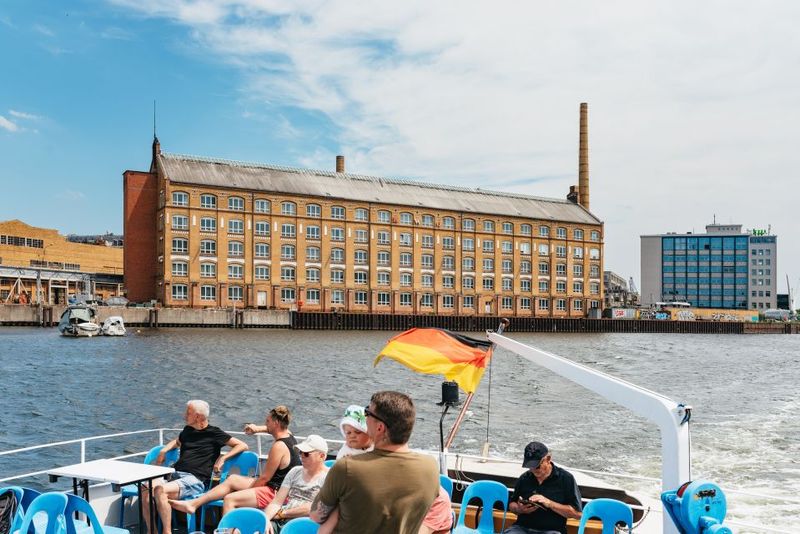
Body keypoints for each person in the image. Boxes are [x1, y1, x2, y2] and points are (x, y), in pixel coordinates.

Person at [310, 391, 439, 534]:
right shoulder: (430, 467)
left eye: (367, 413)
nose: (365, 418)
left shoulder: (347, 468)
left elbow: (317, 515)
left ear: (380, 427)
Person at [170, 405, 300, 516]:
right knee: (232, 480)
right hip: (281, 487)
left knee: (230, 499)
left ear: (276, 423)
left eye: (267, 421)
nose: (265, 424)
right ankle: (193, 504)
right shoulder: (289, 435)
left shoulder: (278, 447)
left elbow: (264, 479)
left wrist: (246, 492)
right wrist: (257, 428)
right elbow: (273, 428)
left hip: (277, 492)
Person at [142, 400, 248, 534]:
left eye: (188, 413)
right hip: (175, 474)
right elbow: (177, 441)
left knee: (160, 490)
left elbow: (242, 445)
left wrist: (223, 458)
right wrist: (164, 450)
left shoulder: (214, 433)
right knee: (145, 487)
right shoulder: (188, 430)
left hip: (195, 480)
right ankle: (152, 531)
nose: (184, 415)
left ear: (198, 416)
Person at [503, 442, 582, 534]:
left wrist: (549, 503)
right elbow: (512, 503)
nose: (533, 470)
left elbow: (578, 514)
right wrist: (519, 509)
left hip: (551, 530)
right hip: (522, 528)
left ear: (548, 459)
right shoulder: (524, 478)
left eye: (537, 466)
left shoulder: (566, 479)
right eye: (529, 466)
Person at [264, 435, 329, 533]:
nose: (302, 456)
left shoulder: (330, 478)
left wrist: (283, 513)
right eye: (300, 452)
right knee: (259, 529)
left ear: (322, 456)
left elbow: (316, 508)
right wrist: (266, 519)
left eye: (306, 454)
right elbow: (277, 502)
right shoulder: (294, 471)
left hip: (307, 526)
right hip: (282, 520)